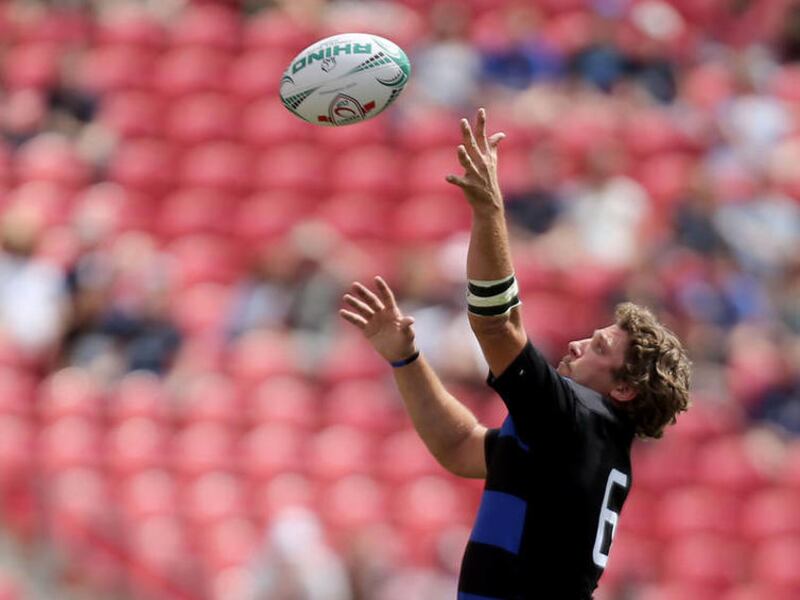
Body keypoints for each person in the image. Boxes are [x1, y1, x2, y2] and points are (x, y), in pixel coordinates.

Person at [339, 109, 692, 599]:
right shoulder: (575, 438)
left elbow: (497, 324)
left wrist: (488, 212)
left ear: (625, 389)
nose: (578, 344)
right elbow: (458, 445)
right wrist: (408, 359)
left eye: (599, 348)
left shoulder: (576, 420)